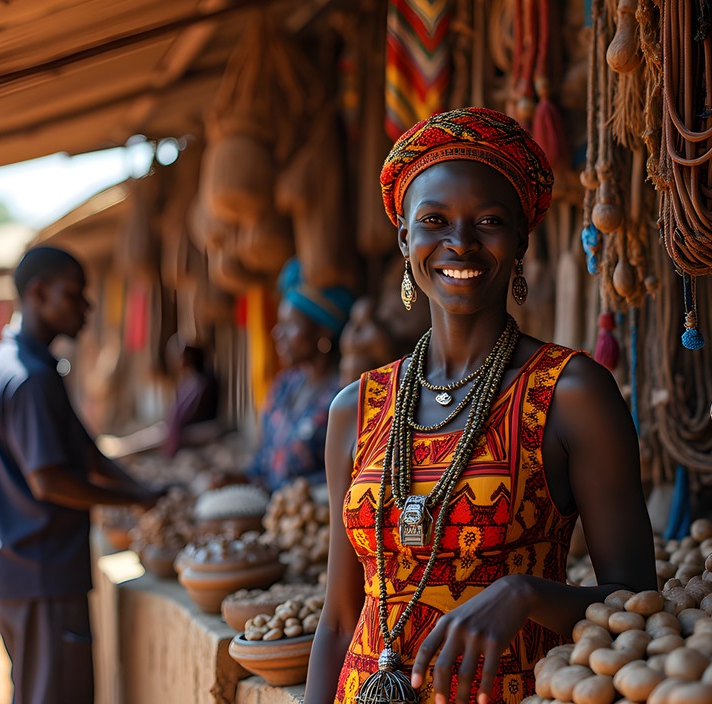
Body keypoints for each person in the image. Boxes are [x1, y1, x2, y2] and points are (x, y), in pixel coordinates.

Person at [304, 108, 655, 704]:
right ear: (405, 239)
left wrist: (527, 594)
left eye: (488, 221)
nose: (459, 243)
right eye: (434, 221)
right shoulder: (356, 408)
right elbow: (340, 619)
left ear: (520, 240)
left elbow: (638, 605)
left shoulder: (570, 394)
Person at [0, 246, 168, 704]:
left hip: (23, 571)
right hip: (40, 572)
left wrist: (144, 491)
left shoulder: (20, 363)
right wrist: (135, 501)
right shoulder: (29, 377)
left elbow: (87, 453)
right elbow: (50, 481)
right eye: (75, 295)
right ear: (38, 294)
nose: (87, 307)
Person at [245, 257, 353, 492]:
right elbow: (261, 464)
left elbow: (347, 479)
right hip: (274, 518)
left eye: (290, 325)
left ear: (324, 331)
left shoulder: (345, 395)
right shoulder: (284, 386)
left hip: (311, 519)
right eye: (278, 323)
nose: (276, 333)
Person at [158, 336, 220, 457]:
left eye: (182, 357)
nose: (179, 361)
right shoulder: (191, 380)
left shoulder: (201, 382)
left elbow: (190, 412)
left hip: (199, 428)